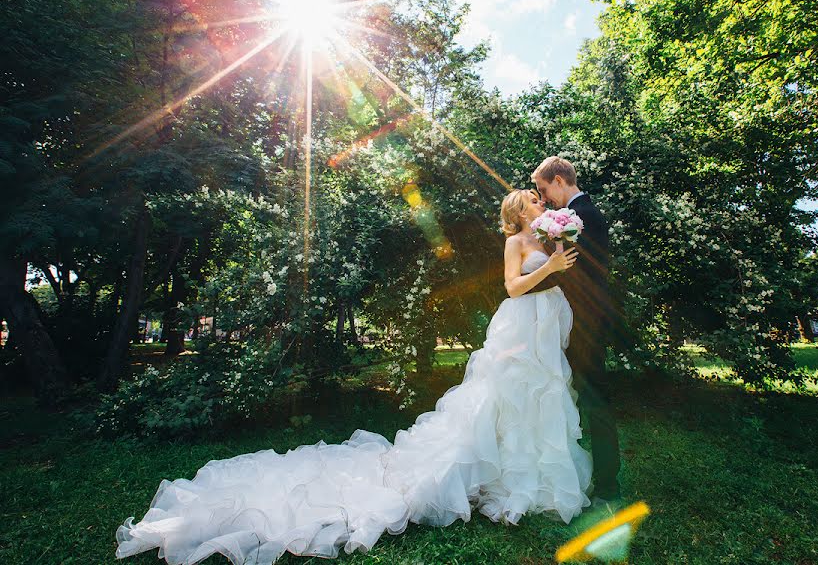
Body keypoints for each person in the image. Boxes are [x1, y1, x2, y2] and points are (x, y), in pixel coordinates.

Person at [115, 189, 591, 564]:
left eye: (540, 199)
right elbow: (511, 286)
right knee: (503, 398)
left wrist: (559, 257)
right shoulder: (516, 241)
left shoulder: (550, 236)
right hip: (516, 327)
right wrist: (548, 265)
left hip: (543, 329)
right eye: (532, 199)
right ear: (518, 210)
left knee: (540, 401)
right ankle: (489, 475)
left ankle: (526, 478)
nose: (540, 201)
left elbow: (551, 276)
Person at [523, 155, 624, 503]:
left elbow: (573, 273)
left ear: (560, 181)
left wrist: (520, 289)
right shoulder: (575, 217)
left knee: (595, 399)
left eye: (543, 188)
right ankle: (564, 473)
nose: (543, 196)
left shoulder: (587, 218)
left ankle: (608, 484)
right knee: (565, 397)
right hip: (566, 321)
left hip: (585, 324)